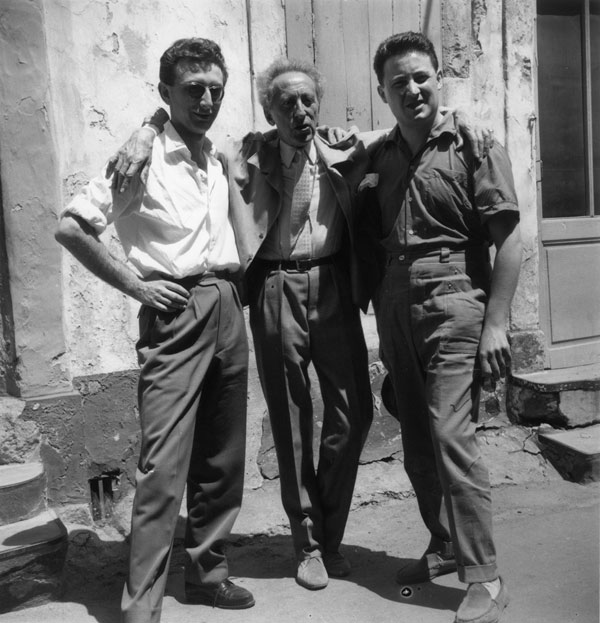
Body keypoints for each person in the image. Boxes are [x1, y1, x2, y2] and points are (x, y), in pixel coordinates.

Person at [107, 56, 492, 594]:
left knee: (352, 412)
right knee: (289, 423)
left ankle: (330, 530)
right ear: (269, 110)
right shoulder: (245, 154)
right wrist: (146, 131)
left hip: (334, 282)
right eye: (287, 102)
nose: (300, 110)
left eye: (309, 100)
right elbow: (182, 125)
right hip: (273, 286)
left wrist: (462, 116)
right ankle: (309, 544)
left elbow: (412, 124)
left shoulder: (346, 148)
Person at [55, 38, 255, 623]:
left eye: (216, 88)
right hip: (175, 311)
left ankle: (208, 573)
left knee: (222, 457)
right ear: (165, 92)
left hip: (226, 305)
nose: (208, 99)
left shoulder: (214, 160)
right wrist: (136, 287)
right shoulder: (138, 160)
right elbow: (73, 228)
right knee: (163, 467)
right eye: (194, 88)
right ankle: (140, 606)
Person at [359, 32, 521, 623]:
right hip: (396, 304)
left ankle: (487, 576)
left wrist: (497, 324)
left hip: (456, 299)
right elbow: (321, 154)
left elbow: (509, 240)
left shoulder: (474, 145)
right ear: (383, 92)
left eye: (421, 77)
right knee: (417, 438)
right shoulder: (377, 157)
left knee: (452, 436)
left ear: (437, 80)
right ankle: (445, 542)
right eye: (398, 81)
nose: (412, 89)